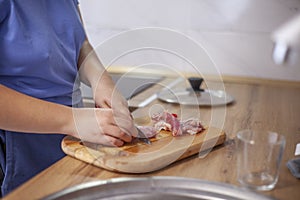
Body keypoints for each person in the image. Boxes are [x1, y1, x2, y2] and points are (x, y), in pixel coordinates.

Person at [0, 0, 137, 196]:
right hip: (18, 145)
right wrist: (73, 120)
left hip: (70, 136)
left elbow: (80, 42)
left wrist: (102, 82)